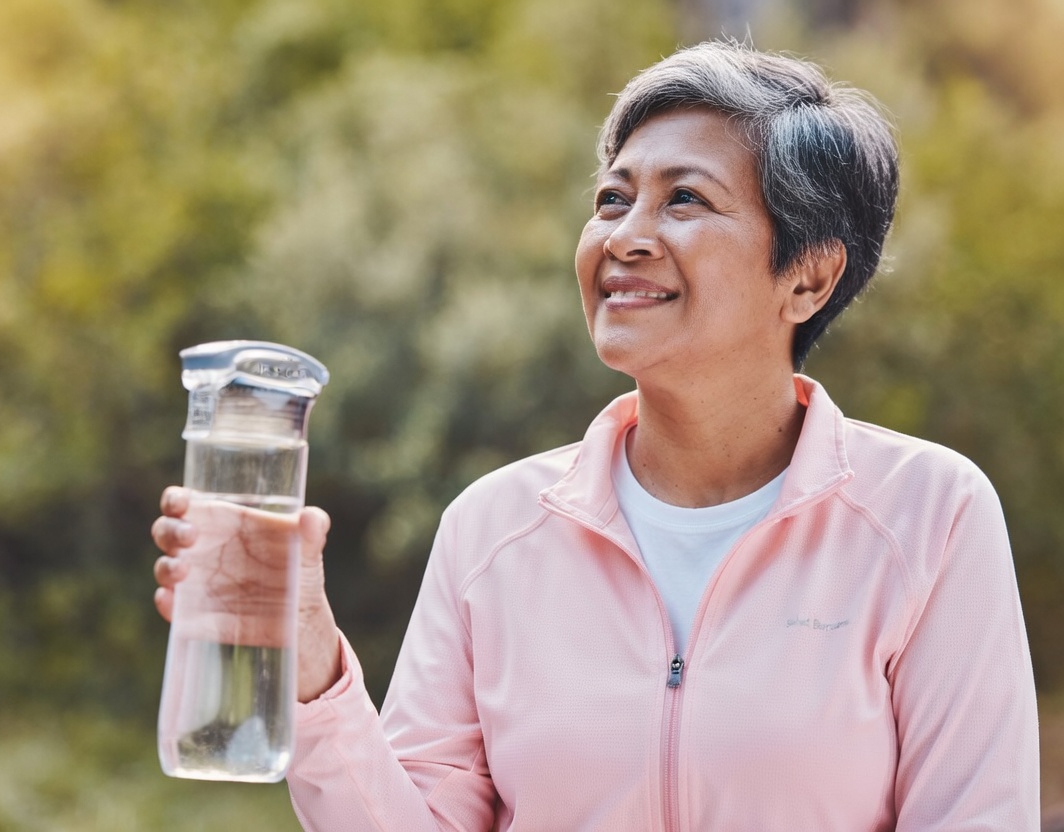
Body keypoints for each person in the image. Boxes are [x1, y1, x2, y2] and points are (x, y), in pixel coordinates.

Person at [152, 40, 1040, 830]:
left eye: (684, 199)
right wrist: (312, 664)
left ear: (807, 277)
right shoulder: (492, 529)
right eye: (613, 199)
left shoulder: (930, 515)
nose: (627, 236)